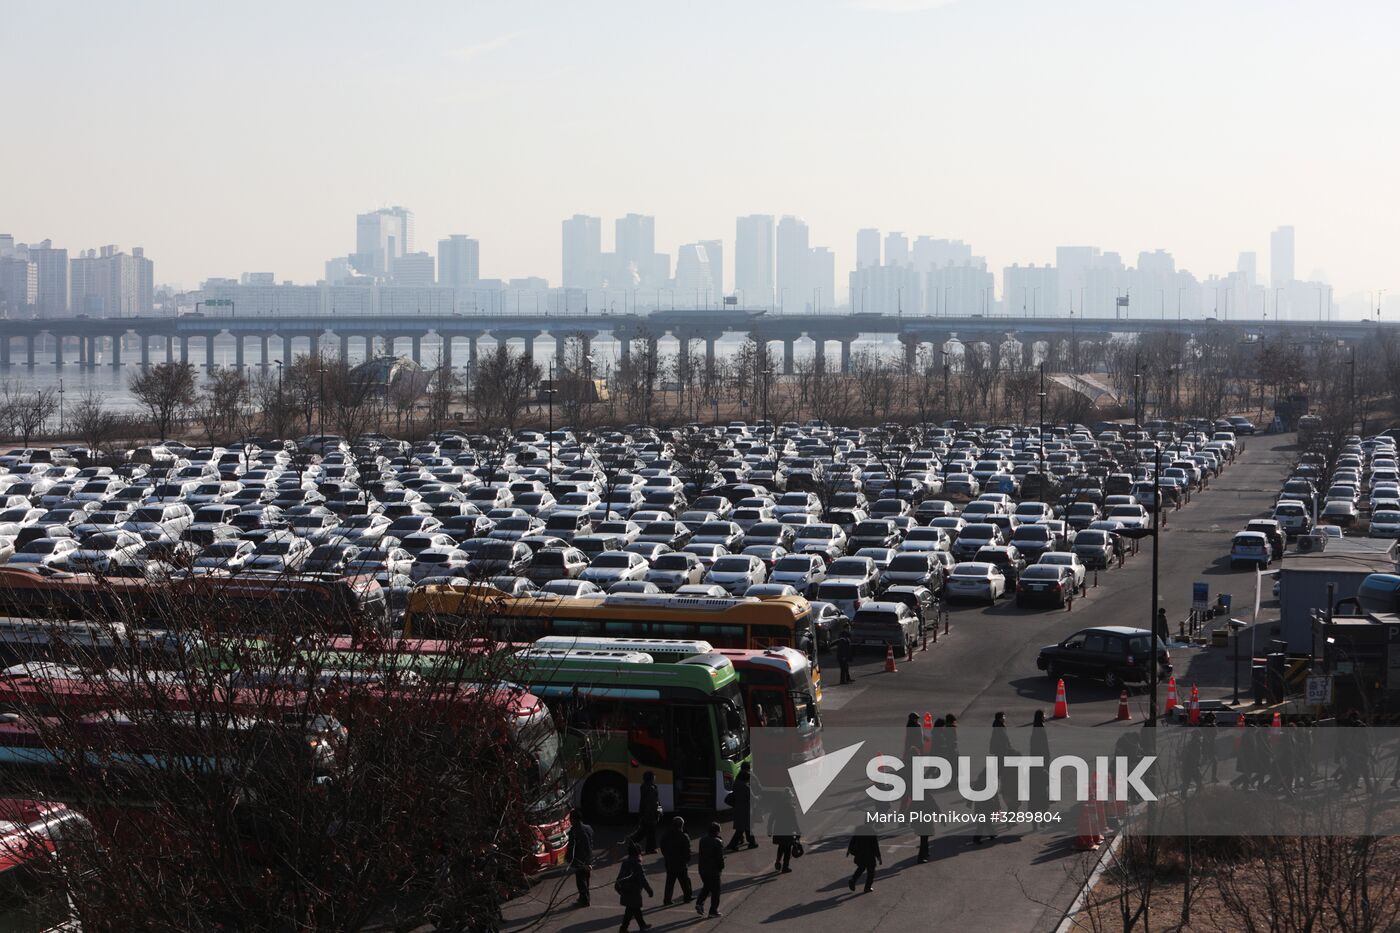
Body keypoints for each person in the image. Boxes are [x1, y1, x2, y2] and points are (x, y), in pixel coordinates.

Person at [615, 842, 653, 933]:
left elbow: (620, 876)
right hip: (634, 890)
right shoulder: (637, 864)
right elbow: (642, 879)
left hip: (625, 889)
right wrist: (649, 890)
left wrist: (618, 887)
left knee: (635, 908)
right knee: (631, 909)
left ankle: (642, 925)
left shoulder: (626, 862)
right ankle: (623, 928)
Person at [659, 816, 693, 905]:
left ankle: (667, 899)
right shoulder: (684, 836)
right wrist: (686, 860)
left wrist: (666, 856)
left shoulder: (666, 834)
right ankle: (687, 897)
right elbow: (687, 850)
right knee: (685, 881)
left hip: (669, 862)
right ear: (681, 825)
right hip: (681, 863)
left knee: (670, 882)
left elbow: (662, 846)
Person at [565, 808, 594, 908]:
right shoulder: (588, 828)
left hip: (580, 860)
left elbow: (573, 847)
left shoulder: (576, 831)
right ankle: (584, 897)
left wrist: (570, 859)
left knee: (581, 881)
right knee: (586, 880)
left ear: (573, 819)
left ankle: (584, 900)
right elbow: (591, 844)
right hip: (588, 859)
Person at [696, 822, 725, 918]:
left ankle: (699, 903)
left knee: (707, 886)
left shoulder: (702, 840)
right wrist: (721, 868)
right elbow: (719, 858)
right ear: (717, 831)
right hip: (713, 870)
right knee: (716, 891)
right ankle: (713, 911)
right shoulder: (717, 842)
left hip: (702, 869)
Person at [726, 763, 758, 850]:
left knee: (746, 827)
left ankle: (752, 842)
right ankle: (732, 845)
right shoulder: (746, 787)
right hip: (745, 809)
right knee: (742, 829)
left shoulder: (736, 783)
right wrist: (757, 798)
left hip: (738, 808)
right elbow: (752, 798)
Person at [769, 787, 799, 873]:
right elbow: (794, 821)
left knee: (781, 847)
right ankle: (785, 867)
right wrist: (798, 832)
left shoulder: (777, 805)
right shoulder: (790, 807)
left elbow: (771, 818)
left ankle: (778, 862)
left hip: (778, 829)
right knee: (787, 849)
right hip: (787, 830)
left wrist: (769, 829)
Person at [632, 771, 662, 854]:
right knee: (649, 831)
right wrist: (659, 811)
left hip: (648, 813)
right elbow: (654, 802)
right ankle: (650, 848)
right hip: (650, 814)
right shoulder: (651, 788)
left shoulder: (647, 786)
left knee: (647, 831)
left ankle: (649, 847)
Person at [846, 828, 881, 893]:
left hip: (859, 855)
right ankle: (867, 888)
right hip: (869, 856)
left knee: (861, 868)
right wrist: (879, 857)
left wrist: (849, 850)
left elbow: (852, 842)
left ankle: (853, 880)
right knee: (871, 872)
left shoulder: (859, 831)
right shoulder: (872, 833)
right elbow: (875, 847)